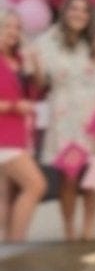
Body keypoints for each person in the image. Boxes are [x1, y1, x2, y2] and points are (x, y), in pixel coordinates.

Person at [28, 0, 95, 241]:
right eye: (74, 9)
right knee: (69, 177)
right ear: (64, 12)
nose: (79, 14)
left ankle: (89, 231)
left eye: (84, 10)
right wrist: (35, 65)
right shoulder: (48, 42)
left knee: (94, 176)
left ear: (89, 16)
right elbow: (41, 83)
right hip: (64, 117)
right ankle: (69, 230)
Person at [0, 13, 47, 243]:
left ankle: (8, 248)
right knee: (36, 185)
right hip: (4, 136)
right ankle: (16, 244)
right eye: (7, 27)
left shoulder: (19, 60)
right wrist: (13, 106)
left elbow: (37, 90)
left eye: (17, 27)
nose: (13, 31)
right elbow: (15, 102)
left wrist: (36, 64)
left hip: (21, 133)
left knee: (8, 196)